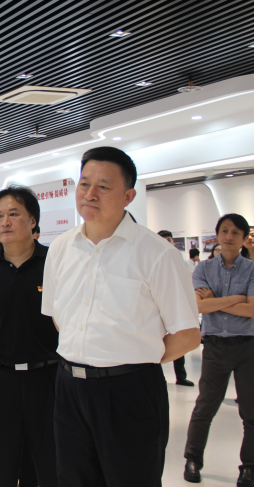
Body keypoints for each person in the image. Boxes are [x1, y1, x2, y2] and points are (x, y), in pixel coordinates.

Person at [41, 146, 200, 487]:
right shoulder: (61, 247)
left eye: (103, 186)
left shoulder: (156, 253)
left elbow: (187, 334)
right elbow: (57, 316)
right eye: (84, 184)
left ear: (128, 196)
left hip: (129, 391)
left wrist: (135, 358)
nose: (90, 194)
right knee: (72, 479)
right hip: (69, 386)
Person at [0, 186, 59, 487]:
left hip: (48, 377)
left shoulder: (54, 263)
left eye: (13, 214)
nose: (4, 222)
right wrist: (3, 349)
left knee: (49, 462)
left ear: (33, 220)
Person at [183, 213, 254, 486]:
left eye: (236, 232)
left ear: (243, 239)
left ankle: (250, 467)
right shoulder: (203, 269)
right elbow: (199, 305)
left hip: (248, 346)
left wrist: (217, 300)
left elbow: (253, 310)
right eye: (224, 231)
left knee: (252, 412)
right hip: (215, 346)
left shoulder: (253, 270)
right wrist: (237, 299)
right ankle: (192, 460)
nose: (229, 236)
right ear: (217, 235)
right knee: (205, 407)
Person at [156, 229, 196, 387]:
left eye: (169, 239)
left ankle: (180, 376)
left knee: (178, 340)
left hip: (175, 306)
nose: (168, 242)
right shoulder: (154, 259)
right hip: (158, 308)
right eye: (164, 239)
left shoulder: (178, 259)